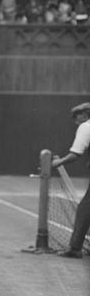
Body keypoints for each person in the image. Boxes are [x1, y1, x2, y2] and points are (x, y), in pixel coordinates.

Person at [51, 102, 90, 258]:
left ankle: (75, 248)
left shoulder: (86, 127)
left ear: (85, 115)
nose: (76, 122)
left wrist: (58, 162)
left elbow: (76, 153)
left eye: (77, 118)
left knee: (85, 210)